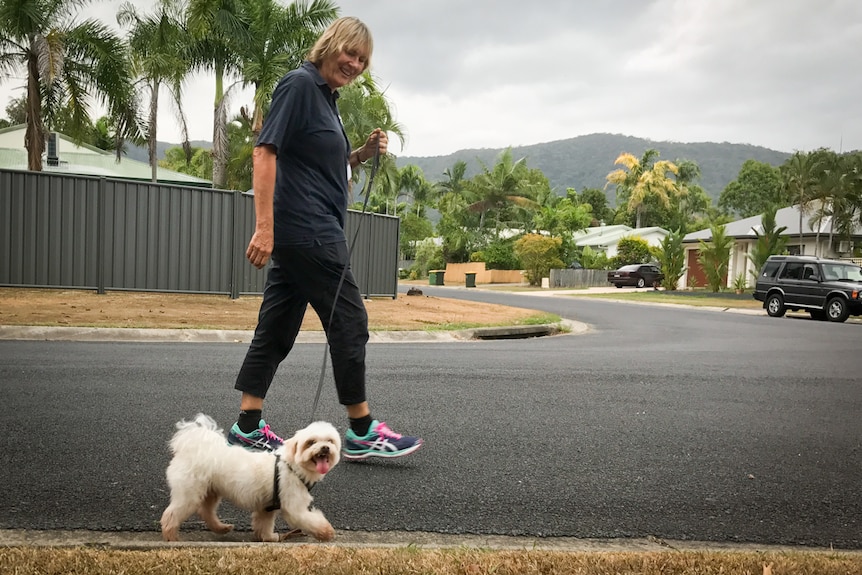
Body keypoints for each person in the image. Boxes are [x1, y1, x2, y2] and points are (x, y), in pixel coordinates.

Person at [226, 16, 422, 461]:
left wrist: (360, 155)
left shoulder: (326, 100)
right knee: (350, 322)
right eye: (349, 53)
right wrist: (264, 226)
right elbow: (265, 151)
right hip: (309, 230)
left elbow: (315, 163)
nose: (354, 63)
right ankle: (361, 430)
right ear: (329, 45)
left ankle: (246, 427)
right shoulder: (299, 85)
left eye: (362, 59)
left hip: (305, 232)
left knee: (275, 328)